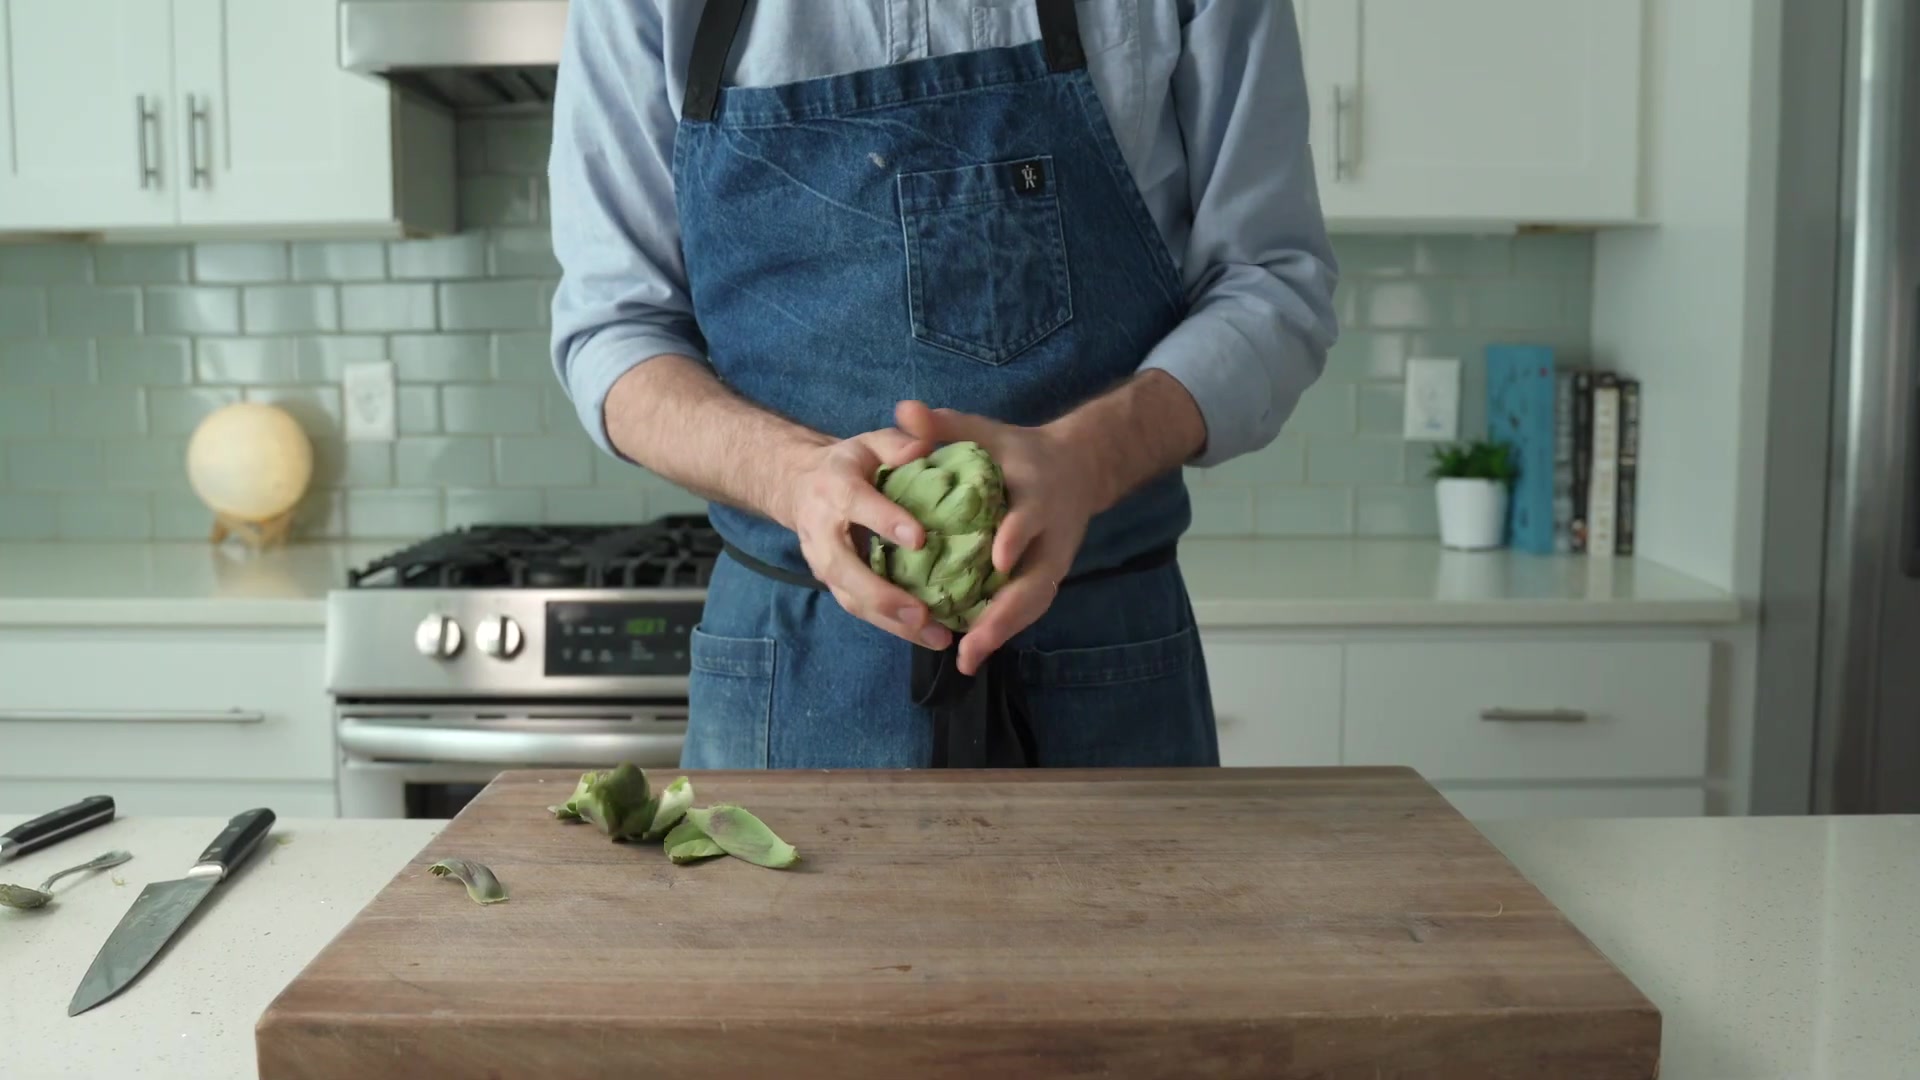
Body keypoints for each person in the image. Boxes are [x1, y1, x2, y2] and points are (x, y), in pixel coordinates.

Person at [548, 0, 1339, 770]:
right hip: (790, 671)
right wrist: (793, 478)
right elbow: (614, 333)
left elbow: (1270, 283)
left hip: (1104, 661)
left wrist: (1086, 459)